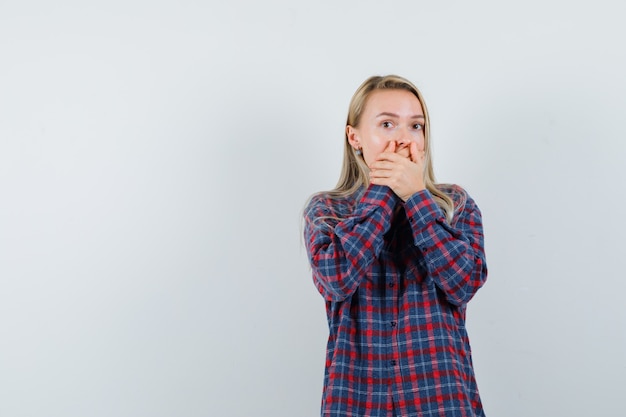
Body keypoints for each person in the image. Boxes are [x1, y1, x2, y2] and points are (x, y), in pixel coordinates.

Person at [303, 75, 488, 417]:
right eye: (387, 124)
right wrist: (383, 192)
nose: (403, 139)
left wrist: (417, 197)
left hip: (440, 399)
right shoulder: (327, 209)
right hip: (358, 400)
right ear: (354, 136)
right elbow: (337, 278)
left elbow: (463, 283)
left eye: (415, 126)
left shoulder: (454, 204)